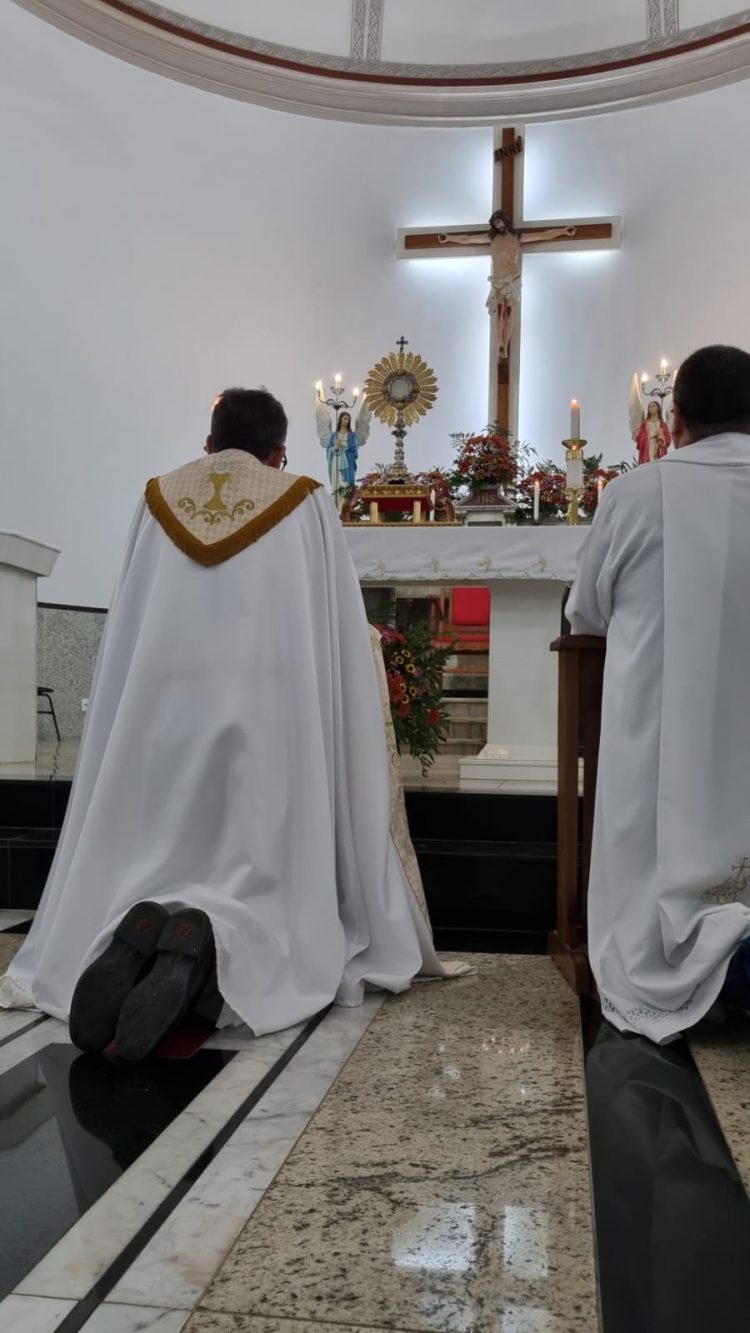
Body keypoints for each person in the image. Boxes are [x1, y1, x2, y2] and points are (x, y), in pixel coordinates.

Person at [0, 388, 467, 1060]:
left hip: (162, 719)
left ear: (209, 443)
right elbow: (335, 628)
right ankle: (216, 944)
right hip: (267, 723)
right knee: (258, 873)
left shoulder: (158, 497)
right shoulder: (302, 499)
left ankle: (138, 926)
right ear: (279, 452)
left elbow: (128, 622)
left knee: (158, 850)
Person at [566, 344, 750, 1042]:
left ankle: (711, 960)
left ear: (672, 419)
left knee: (654, 898)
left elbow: (585, 614)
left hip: (659, 751)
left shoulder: (635, 493)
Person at [437, 210, 576, 361]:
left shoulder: (517, 236)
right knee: (499, 314)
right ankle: (500, 345)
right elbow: (468, 239)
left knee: (509, 314)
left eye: (498, 221)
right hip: (497, 281)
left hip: (512, 280)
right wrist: (449, 238)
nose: (497, 224)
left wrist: (563, 231)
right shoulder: (491, 238)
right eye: (494, 223)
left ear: (505, 220)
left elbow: (543, 235)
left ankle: (505, 344)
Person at [315, 398, 371, 512]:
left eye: (348, 419)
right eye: (345, 418)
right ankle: (336, 509)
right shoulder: (334, 435)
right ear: (340, 419)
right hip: (336, 463)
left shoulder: (352, 436)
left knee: (346, 486)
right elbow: (329, 450)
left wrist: (342, 447)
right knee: (337, 485)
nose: (346, 421)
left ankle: (346, 508)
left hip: (347, 463)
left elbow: (354, 450)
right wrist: (333, 448)